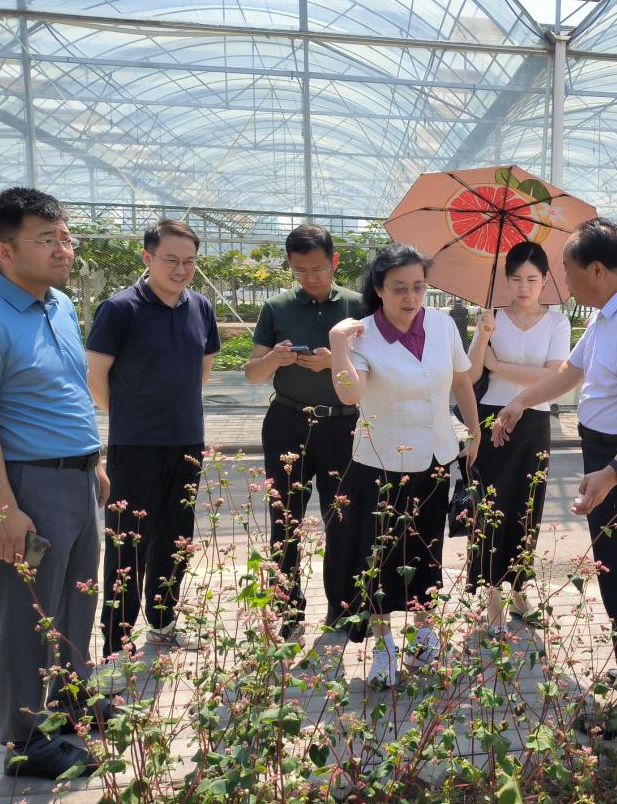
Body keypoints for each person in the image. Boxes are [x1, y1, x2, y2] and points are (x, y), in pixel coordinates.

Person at [493, 218, 617, 741]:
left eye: (569, 273)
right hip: (613, 456)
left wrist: (613, 473)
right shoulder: (609, 313)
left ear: (597, 269)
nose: (565, 285)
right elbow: (571, 371)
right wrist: (519, 401)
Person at [0, 187, 110, 778]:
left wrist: (94, 461)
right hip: (27, 487)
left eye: (65, 237)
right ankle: (23, 738)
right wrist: (3, 510)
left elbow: (67, 389)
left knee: (78, 599)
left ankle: (71, 703)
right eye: (46, 240)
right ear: (5, 250)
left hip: (77, 477)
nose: (63, 249)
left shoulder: (57, 303)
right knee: (27, 612)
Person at [326, 244, 480, 689]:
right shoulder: (361, 336)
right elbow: (349, 394)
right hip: (381, 464)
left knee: (427, 550)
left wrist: (473, 430)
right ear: (379, 289)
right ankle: (384, 646)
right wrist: (337, 344)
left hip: (434, 458)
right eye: (399, 288)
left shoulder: (443, 325)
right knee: (380, 556)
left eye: (418, 286)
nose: (411, 298)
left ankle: (424, 633)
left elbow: (461, 379)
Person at [86, 219, 220, 685]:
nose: (181, 270)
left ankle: (163, 625)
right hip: (136, 445)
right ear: (147, 258)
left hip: (187, 442)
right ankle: (117, 646)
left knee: (175, 538)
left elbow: (202, 368)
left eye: (189, 262)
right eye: (171, 260)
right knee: (128, 544)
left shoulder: (200, 306)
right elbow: (96, 377)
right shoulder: (120, 309)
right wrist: (132, 414)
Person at [245, 225, 365, 641]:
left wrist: (335, 362)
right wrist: (275, 360)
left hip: (344, 423)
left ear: (334, 262)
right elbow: (252, 373)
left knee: (343, 518)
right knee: (285, 518)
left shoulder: (359, 306)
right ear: (290, 266)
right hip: (288, 421)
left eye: (317, 268)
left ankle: (342, 608)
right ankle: (288, 609)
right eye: (300, 270)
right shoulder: (276, 307)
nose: (310, 278)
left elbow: (376, 366)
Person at [465, 241, 571, 634]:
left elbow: (554, 376)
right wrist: (482, 338)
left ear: (545, 280)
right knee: (491, 505)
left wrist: (499, 363)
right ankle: (492, 594)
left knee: (528, 506)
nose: (524, 287)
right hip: (491, 417)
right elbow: (472, 375)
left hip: (534, 420)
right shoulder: (491, 318)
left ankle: (519, 589)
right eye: (516, 279)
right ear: (505, 280)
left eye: (532, 279)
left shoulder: (557, 323)